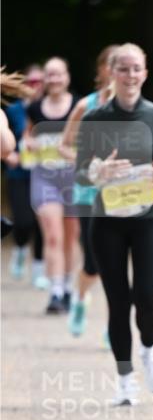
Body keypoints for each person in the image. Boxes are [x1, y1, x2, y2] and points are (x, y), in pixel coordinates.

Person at [76, 43, 153, 406]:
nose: (130, 75)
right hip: (106, 222)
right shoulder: (94, 119)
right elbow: (80, 172)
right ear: (111, 72)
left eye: (136, 68)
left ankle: (150, 351)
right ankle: (124, 379)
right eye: (122, 69)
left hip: (149, 220)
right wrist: (98, 171)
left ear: (145, 72)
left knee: (147, 298)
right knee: (118, 302)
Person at [60, 45, 118, 336]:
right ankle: (80, 299)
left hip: (123, 194)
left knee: (118, 261)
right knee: (94, 264)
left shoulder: (135, 107)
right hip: (89, 193)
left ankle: (115, 322)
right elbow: (64, 146)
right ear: (102, 70)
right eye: (112, 64)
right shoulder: (86, 105)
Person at [25, 57, 79, 311]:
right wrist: (29, 144)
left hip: (73, 178)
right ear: (44, 79)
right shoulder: (34, 108)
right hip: (45, 178)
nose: (54, 79)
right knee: (53, 235)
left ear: (67, 77)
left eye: (59, 74)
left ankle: (68, 287)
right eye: (50, 75)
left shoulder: (79, 106)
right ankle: (55, 292)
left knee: (71, 237)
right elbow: (26, 137)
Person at [2, 64, 47, 286]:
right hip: (19, 173)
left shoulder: (47, 109)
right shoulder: (12, 110)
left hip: (44, 173)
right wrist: (8, 156)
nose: (35, 86)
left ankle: (39, 269)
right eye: (31, 81)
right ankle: (20, 249)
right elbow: (5, 141)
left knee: (42, 223)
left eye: (39, 82)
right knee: (23, 222)